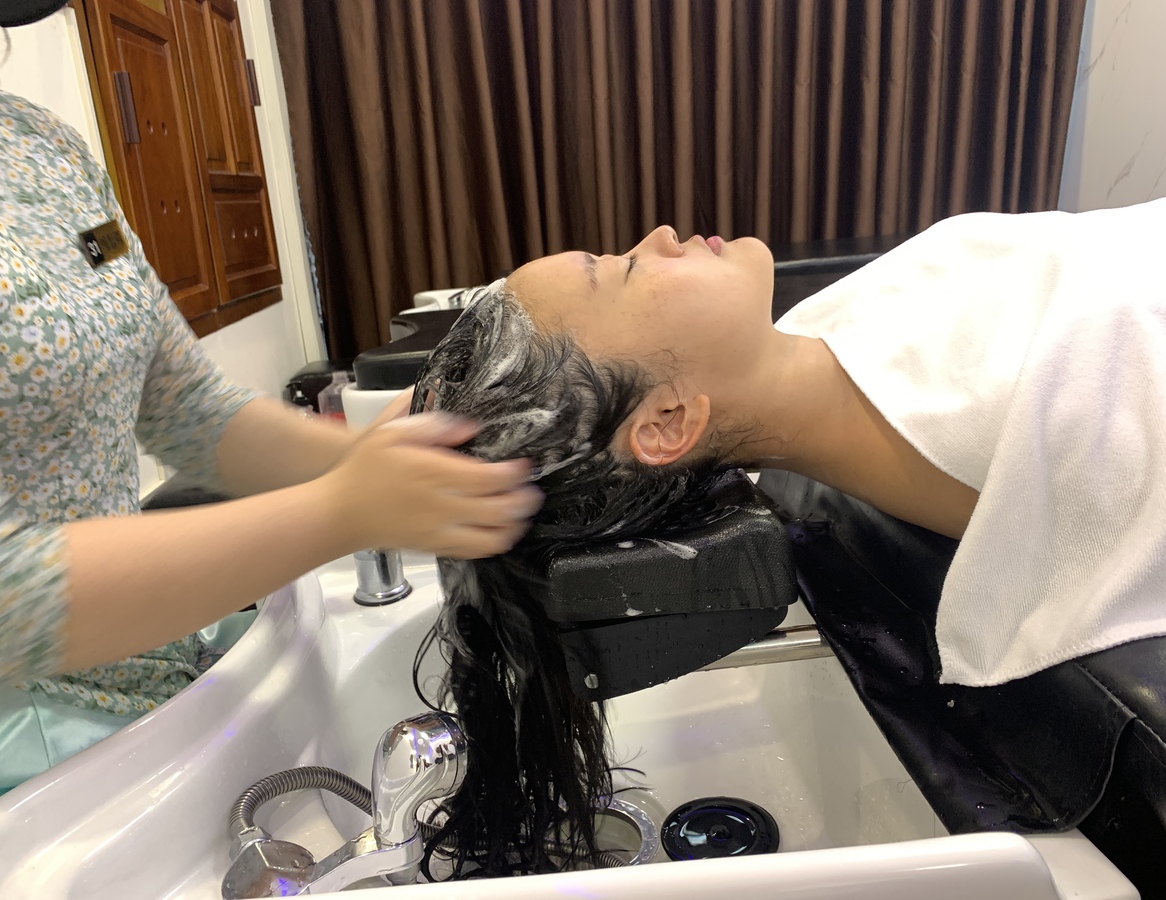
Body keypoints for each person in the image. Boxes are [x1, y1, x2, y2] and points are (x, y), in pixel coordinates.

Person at [408, 200, 1166, 875]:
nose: (660, 235)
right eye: (626, 270)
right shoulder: (1067, 408)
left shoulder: (811, 342)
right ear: (669, 421)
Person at [0, 0, 542, 819]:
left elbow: (187, 406)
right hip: (11, 750)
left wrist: (389, 459)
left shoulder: (37, 141)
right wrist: (343, 509)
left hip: (146, 665)